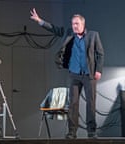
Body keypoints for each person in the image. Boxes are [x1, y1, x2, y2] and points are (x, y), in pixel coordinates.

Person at [30, 8, 104, 138]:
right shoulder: (69, 34)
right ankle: (72, 132)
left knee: (91, 104)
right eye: (73, 23)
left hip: (89, 75)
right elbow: (54, 29)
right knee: (73, 104)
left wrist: (98, 70)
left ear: (83, 24)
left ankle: (91, 132)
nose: (74, 26)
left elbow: (100, 54)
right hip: (74, 74)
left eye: (77, 23)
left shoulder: (93, 35)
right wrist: (40, 21)